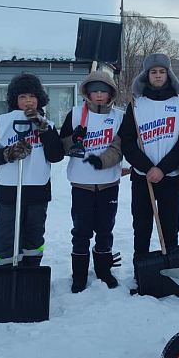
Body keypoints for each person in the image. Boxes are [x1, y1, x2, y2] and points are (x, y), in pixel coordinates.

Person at [0, 73, 64, 267]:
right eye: (22, 97)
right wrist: (7, 154)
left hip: (37, 189)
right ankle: (6, 270)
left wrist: (42, 127)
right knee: (5, 233)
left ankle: (31, 270)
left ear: (39, 99)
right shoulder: (1, 122)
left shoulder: (46, 124)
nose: (28, 101)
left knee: (34, 233)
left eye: (32, 97)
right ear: (15, 99)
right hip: (9, 190)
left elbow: (56, 155)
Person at [118, 53, 179, 267]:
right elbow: (128, 142)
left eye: (162, 72)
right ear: (146, 75)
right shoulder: (136, 106)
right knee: (141, 227)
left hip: (171, 177)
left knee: (170, 226)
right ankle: (141, 272)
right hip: (143, 178)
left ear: (169, 75)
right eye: (153, 72)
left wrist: (162, 168)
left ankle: (171, 270)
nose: (158, 76)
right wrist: (147, 167)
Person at [59, 71, 124, 293]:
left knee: (105, 230)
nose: (98, 95)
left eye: (103, 92)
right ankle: (79, 275)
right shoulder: (76, 114)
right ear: (87, 92)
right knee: (81, 231)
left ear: (110, 94)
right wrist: (73, 139)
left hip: (108, 183)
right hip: (81, 184)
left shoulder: (119, 117)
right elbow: (61, 147)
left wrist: (101, 161)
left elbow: (118, 148)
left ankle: (104, 271)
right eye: (94, 91)